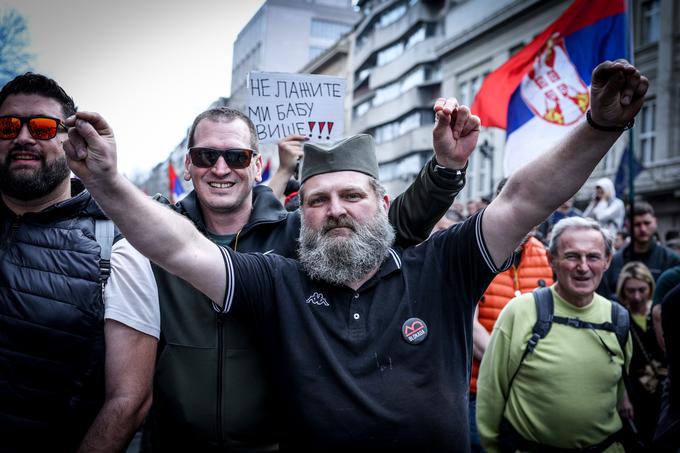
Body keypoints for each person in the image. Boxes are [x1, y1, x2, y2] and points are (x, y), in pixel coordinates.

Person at [64, 59, 647, 450]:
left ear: (382, 201)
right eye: (317, 200)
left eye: (351, 195)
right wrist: (107, 181)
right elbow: (178, 244)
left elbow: (523, 197)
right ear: (300, 211)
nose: (336, 210)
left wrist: (598, 125)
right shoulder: (279, 283)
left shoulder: (443, 268)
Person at [141, 107, 468, 451]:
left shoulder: (301, 232)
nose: (220, 168)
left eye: (236, 156)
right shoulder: (159, 238)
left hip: (275, 443)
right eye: (206, 155)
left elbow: (390, 224)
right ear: (188, 165)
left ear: (256, 165)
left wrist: (445, 171)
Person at [0, 73, 159, 451]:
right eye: (7, 126)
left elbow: (130, 400)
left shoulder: (116, 244)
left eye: (41, 127)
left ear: (70, 142)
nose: (23, 138)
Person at [477, 217, 632, 452]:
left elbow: (619, 393)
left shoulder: (618, 318)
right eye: (572, 256)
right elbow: (491, 391)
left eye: (593, 257)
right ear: (552, 259)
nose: (583, 266)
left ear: (607, 261)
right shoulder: (521, 312)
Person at [469, 182, 554, 453]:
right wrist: (509, 365)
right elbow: (468, 327)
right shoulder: (472, 253)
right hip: (476, 391)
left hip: (532, 393)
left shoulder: (549, 256)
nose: (526, 215)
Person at [616, 261, 666, 447]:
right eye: (630, 291)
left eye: (642, 289)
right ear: (622, 290)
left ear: (650, 287)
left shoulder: (658, 312)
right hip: (635, 391)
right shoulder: (619, 316)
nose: (637, 296)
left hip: (663, 388)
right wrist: (623, 396)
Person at [600, 201, 680, 300]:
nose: (642, 229)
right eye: (637, 224)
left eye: (647, 223)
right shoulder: (614, 262)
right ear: (627, 226)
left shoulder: (672, 260)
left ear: (655, 222)